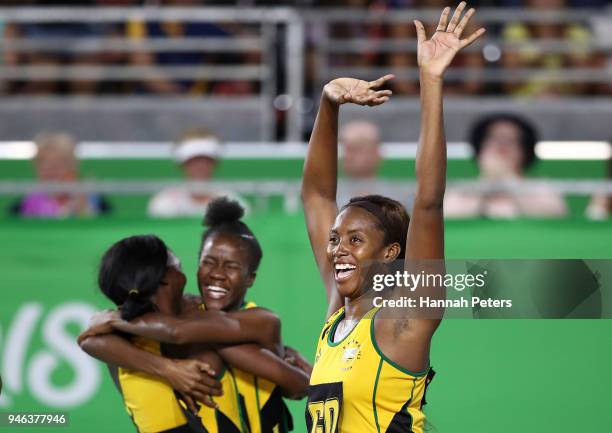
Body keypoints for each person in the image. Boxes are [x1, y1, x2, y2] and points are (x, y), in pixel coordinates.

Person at [301, 3, 484, 433]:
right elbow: (316, 195)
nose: (338, 250)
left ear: (390, 253)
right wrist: (329, 103)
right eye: (335, 239)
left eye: (355, 240)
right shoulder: (336, 316)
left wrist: (431, 81)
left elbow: (428, 202)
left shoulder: (405, 318)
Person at [80, 198, 308, 433]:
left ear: (250, 277)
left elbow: (299, 384)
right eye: (206, 262)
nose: (217, 274)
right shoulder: (128, 338)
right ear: (166, 278)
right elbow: (90, 341)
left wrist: (115, 319)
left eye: (231, 266)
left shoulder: (244, 323)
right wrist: (167, 368)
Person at [444, 113, 568, 218]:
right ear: (480, 150)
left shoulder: (541, 187)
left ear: (524, 152)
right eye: (493, 138)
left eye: (511, 140)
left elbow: (557, 213)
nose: (501, 145)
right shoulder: (462, 190)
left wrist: (508, 179)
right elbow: (447, 215)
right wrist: (486, 183)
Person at [147, 129, 248, 218]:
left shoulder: (234, 204)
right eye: (193, 161)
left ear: (215, 163)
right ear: (182, 165)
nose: (200, 166)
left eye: (207, 160)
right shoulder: (164, 204)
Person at [9, 132, 112, 218]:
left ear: (73, 165)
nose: (50, 171)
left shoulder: (97, 202)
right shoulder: (22, 206)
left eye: (58, 164)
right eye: (44, 164)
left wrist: (85, 210)